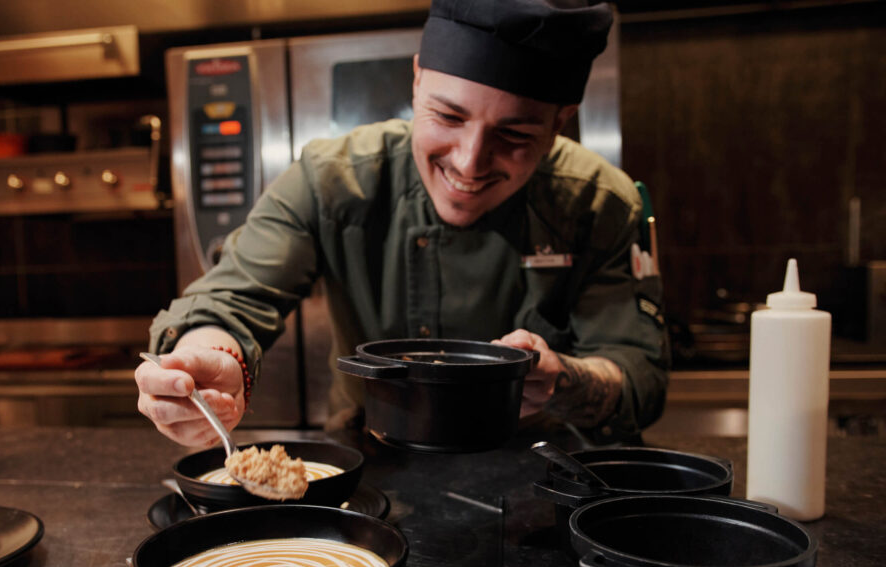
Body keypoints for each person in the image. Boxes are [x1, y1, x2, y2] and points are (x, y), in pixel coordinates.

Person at [136, 0, 669, 450]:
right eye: (449, 117)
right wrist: (211, 359)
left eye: (513, 136)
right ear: (416, 81)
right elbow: (230, 300)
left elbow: (638, 378)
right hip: (369, 468)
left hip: (543, 471)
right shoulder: (332, 179)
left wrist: (562, 381)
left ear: (560, 122)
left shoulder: (600, 202)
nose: (469, 163)